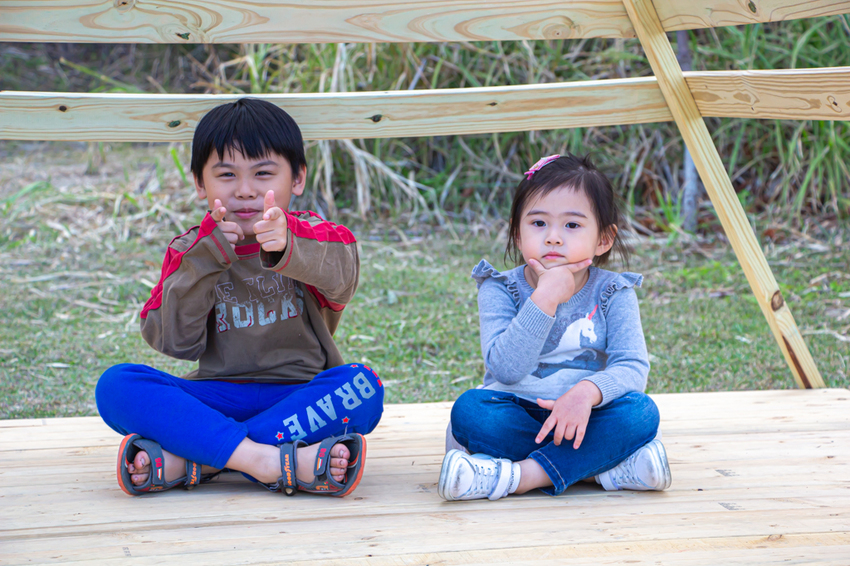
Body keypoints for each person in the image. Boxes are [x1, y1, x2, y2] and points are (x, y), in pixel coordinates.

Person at [96, 98, 383, 497]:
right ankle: (273, 462)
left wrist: (289, 245)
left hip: (299, 395)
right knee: (117, 386)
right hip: (216, 395)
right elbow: (173, 342)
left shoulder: (315, 235)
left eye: (263, 173)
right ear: (200, 183)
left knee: (364, 386)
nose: (245, 191)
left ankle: (201, 458)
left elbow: (343, 276)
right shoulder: (189, 250)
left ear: (297, 178)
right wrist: (204, 262)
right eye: (227, 174)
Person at [438, 153, 670, 501]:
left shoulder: (613, 292)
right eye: (538, 223)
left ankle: (517, 476)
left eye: (572, 225)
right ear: (517, 233)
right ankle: (602, 471)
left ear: (604, 239)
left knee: (641, 413)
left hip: (587, 416)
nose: (554, 238)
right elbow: (505, 368)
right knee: (470, 412)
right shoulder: (500, 287)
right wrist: (544, 299)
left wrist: (585, 394)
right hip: (517, 414)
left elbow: (633, 366)